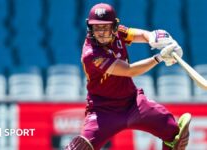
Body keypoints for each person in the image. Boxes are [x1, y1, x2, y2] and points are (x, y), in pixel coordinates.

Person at [65, 3, 191, 150]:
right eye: (97, 27)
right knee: (81, 147)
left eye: (105, 27)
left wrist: (154, 37)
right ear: (90, 28)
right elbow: (129, 70)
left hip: (133, 103)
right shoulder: (92, 54)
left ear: (114, 26)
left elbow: (143, 35)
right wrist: (159, 58)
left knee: (172, 132)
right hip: (103, 111)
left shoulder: (118, 32)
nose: (101, 32)